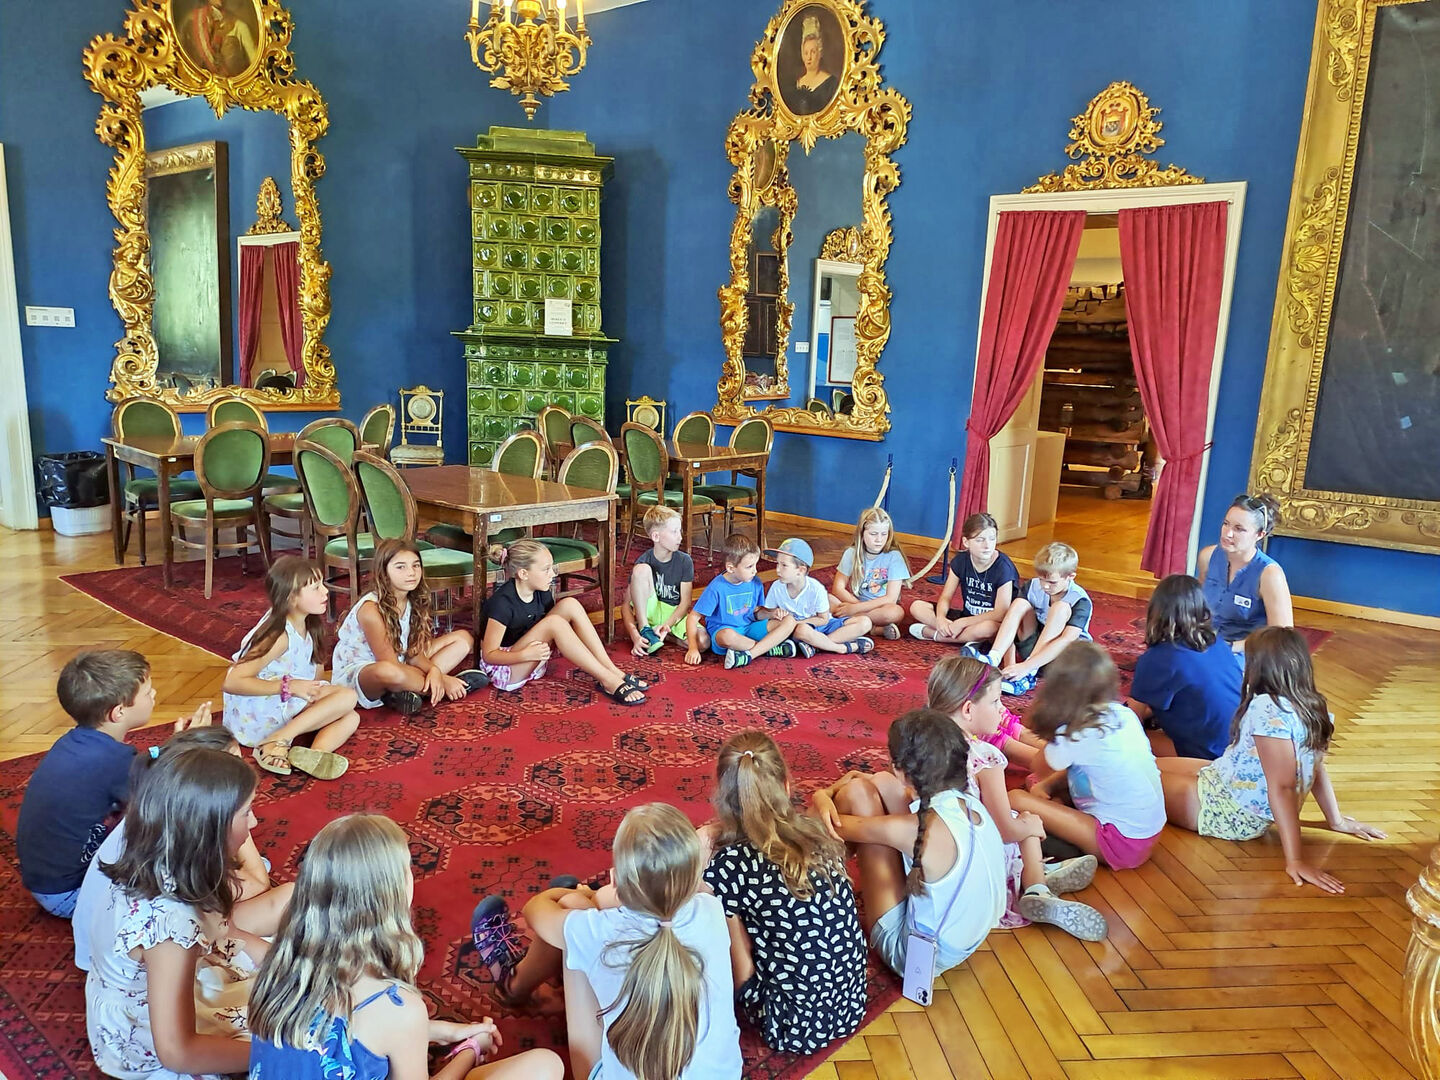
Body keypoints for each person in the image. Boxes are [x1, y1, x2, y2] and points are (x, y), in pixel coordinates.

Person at [249, 814, 562, 1080]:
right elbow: (385, 1026)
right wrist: (469, 1052)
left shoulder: (280, 965)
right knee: (545, 1066)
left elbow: (352, 1033)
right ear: (393, 896)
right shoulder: (394, 1006)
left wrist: (448, 1033)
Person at [469, 803, 743, 1080]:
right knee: (580, 923)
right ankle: (544, 988)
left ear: (615, 880)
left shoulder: (603, 931)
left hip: (603, 915)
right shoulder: (711, 909)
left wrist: (586, 897)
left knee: (571, 907)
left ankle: (514, 987)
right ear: (695, 877)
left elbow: (535, 909)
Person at [1156, 627, 1385, 893]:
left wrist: (1296, 860)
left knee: (1139, 777)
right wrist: (1336, 821)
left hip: (1231, 811)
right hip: (1224, 779)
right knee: (1149, 765)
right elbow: (1316, 767)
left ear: (1261, 668)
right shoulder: (1313, 705)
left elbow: (1283, 787)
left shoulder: (1266, 708)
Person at [85, 747, 264, 1078]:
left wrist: (293, 968)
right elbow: (179, 1052)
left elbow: (229, 933)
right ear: (209, 829)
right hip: (146, 1042)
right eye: (247, 812)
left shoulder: (168, 858)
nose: (254, 821)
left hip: (159, 995)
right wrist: (275, 1056)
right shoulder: (170, 927)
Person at [810, 710, 1007, 984]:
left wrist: (824, 794)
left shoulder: (913, 830)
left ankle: (815, 893)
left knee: (856, 794)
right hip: (964, 940)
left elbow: (824, 824)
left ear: (902, 771)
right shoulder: (972, 805)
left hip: (914, 955)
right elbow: (886, 784)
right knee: (880, 783)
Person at [74, 724, 291, 972]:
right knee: (288, 901)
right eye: (246, 810)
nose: (254, 821)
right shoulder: (171, 913)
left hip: (116, 951)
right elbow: (255, 886)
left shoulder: (162, 828)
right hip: (135, 975)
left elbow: (223, 927)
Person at [701, 731, 868, 1052]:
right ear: (787, 786)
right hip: (850, 1004)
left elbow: (740, 968)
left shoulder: (730, 865)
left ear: (723, 797)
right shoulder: (818, 833)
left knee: (706, 917)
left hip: (791, 1026)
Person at [925, 656, 1106, 939]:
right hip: (973, 856)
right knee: (1023, 820)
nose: (1002, 709)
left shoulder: (922, 748)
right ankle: (1036, 888)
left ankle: (1040, 871)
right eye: (996, 701)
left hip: (934, 850)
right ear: (969, 710)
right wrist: (1030, 827)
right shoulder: (986, 757)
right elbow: (1006, 832)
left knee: (1014, 818)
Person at [17, 650, 203, 918]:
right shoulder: (114, 761)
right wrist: (187, 749)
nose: (154, 694)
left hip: (45, 884)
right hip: (72, 894)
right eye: (147, 691)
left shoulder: (77, 743)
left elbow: (142, 769)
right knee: (179, 827)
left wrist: (172, 748)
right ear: (118, 712)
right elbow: (165, 797)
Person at [1007, 643, 1166, 871]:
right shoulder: (1123, 713)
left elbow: (1038, 765)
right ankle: (1063, 844)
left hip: (1121, 843)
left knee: (1016, 799)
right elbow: (1074, 768)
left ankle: (1059, 854)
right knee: (1046, 787)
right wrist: (1048, 787)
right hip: (1147, 835)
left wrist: (1046, 713)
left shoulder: (1073, 732)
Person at [223, 555, 359, 778]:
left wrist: (318, 696)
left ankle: (314, 755)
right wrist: (290, 686)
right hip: (260, 710)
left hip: (286, 702)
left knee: (351, 717)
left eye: (322, 584)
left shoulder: (310, 623)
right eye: (315, 588)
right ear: (291, 598)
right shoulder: (279, 635)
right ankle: (275, 741)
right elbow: (232, 681)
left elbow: (315, 675)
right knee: (347, 698)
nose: (325, 592)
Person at [478, 539, 651, 704]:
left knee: (570, 604)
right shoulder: (502, 604)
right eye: (546, 569)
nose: (553, 574)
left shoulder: (541, 590)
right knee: (554, 622)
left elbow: (544, 629)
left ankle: (612, 670)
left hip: (533, 655)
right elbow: (489, 655)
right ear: (523, 574)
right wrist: (525, 655)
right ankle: (607, 680)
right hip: (506, 669)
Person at [331, 538, 489, 716]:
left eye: (416, 565)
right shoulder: (371, 609)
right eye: (400, 567)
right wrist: (443, 679)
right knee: (390, 672)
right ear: (384, 572)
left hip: (401, 661)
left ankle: (406, 692)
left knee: (463, 639)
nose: (411, 573)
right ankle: (441, 688)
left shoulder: (411, 599)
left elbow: (413, 653)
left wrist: (434, 670)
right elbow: (389, 663)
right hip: (365, 673)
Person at [1126, 574, 1242, 759]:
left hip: (1210, 757)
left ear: (1155, 611)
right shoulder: (1216, 643)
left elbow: (1130, 720)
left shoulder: (1157, 659)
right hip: (1241, 744)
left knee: (1125, 737)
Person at [973, 541, 1093, 696]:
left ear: (1070, 577)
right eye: (1042, 579)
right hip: (1034, 649)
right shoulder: (1034, 586)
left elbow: (1066, 640)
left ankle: (1030, 674)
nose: (1045, 586)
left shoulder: (1080, 600)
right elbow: (1012, 624)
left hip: (1064, 659)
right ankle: (993, 659)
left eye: (1052, 582)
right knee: (1019, 604)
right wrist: (1010, 666)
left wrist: (1027, 666)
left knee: (1060, 608)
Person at [1196, 493, 1294, 661]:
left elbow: (1281, 636)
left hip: (1246, 651)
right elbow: (1198, 607)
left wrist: (1230, 648)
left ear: (1260, 534)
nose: (1228, 534)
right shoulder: (1207, 556)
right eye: (1226, 524)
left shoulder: (1270, 575)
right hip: (1208, 643)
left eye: (1239, 529)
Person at [689, 532, 799, 669]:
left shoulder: (755, 582)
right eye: (749, 567)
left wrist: (771, 613)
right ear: (731, 568)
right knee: (727, 636)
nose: (755, 571)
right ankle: (769, 648)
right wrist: (692, 648)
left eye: (755, 565)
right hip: (725, 632)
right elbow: (693, 617)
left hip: (749, 628)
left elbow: (756, 613)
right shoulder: (716, 587)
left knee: (790, 621)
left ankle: (751, 653)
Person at [908, 512, 1020, 646]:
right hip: (967, 617)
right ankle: (961, 635)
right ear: (966, 542)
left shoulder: (1004, 567)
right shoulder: (960, 561)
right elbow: (946, 597)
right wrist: (941, 618)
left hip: (989, 621)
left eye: (992, 539)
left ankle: (935, 635)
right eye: (980, 540)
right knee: (917, 607)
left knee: (989, 628)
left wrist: (962, 623)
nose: (987, 545)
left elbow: (1000, 613)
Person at [760, 537, 874, 655]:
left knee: (865, 622)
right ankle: (842, 648)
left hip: (821, 626)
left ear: (801, 570)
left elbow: (823, 620)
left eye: (784, 565)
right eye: (777, 564)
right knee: (802, 631)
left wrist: (797, 623)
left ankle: (816, 645)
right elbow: (769, 615)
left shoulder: (816, 588)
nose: (777, 570)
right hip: (798, 630)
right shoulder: (776, 587)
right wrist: (775, 614)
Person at [622, 506, 696, 658]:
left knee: (702, 642)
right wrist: (635, 636)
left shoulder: (685, 561)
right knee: (641, 570)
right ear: (656, 536)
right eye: (674, 532)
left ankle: (661, 635)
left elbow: (685, 602)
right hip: (650, 611)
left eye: (680, 531)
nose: (680, 537)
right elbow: (626, 605)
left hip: (673, 612)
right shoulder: (643, 561)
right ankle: (645, 629)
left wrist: (667, 626)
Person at [829, 507, 908, 639]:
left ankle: (854, 622)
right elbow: (838, 588)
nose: (879, 539)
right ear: (862, 533)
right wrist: (855, 605)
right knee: (826, 599)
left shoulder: (894, 556)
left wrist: (855, 609)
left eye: (884, 534)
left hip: (881, 608)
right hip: (854, 602)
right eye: (873, 534)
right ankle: (873, 629)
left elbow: (891, 598)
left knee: (896, 613)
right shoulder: (851, 553)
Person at [788, 14, 838, 114]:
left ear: (820, 53)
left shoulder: (831, 84)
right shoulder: (796, 83)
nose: (809, 57)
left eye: (813, 52)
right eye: (806, 53)